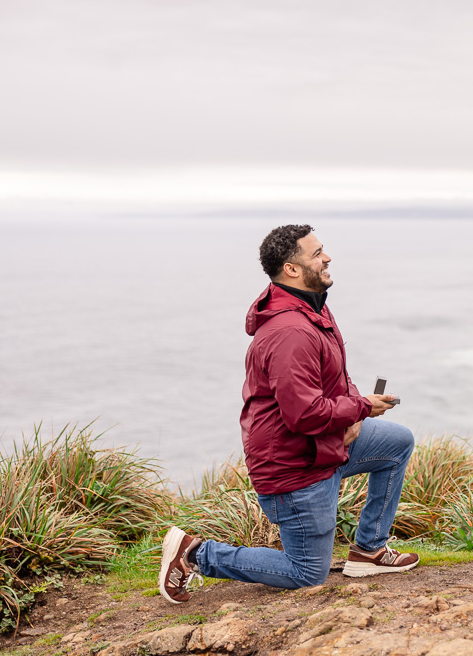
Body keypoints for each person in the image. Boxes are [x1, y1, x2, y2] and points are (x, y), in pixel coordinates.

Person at [159, 224, 419, 603]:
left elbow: (333, 377)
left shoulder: (313, 307)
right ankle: (195, 553)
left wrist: (353, 415)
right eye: (317, 254)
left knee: (397, 444)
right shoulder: (290, 331)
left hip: (325, 447)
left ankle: (369, 550)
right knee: (307, 573)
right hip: (294, 467)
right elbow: (305, 415)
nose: (327, 258)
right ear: (292, 269)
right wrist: (361, 406)